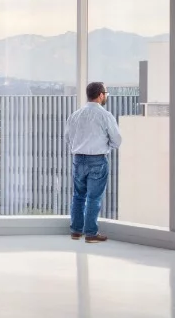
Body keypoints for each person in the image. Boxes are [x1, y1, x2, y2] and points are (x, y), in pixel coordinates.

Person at [65, 80, 124, 242]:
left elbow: (68, 138)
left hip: (78, 159)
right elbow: (117, 140)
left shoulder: (75, 114)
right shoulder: (105, 115)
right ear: (100, 95)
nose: (106, 96)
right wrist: (106, 145)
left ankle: (76, 231)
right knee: (93, 197)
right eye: (105, 93)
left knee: (78, 196)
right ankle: (91, 233)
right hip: (97, 160)